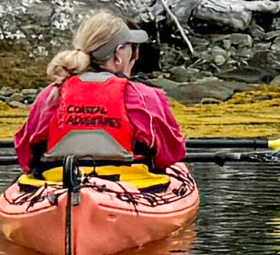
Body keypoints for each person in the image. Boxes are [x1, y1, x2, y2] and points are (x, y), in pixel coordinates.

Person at [12, 10, 188, 175]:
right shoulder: (145, 97)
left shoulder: (51, 94)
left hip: (59, 181)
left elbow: (25, 154)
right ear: (119, 53)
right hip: (130, 185)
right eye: (131, 47)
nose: (135, 55)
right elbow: (171, 153)